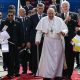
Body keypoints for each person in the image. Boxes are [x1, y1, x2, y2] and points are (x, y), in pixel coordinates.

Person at [35, 8, 68, 80]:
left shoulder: (59, 20)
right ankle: (47, 75)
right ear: (47, 13)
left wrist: (63, 32)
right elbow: (39, 31)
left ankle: (57, 75)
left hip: (57, 42)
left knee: (57, 59)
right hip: (48, 42)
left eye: (52, 13)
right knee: (47, 60)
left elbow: (65, 29)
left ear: (55, 13)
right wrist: (37, 40)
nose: (50, 15)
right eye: (49, 13)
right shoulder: (43, 20)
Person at [1, 11, 22, 79]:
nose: (10, 17)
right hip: (5, 44)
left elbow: (21, 34)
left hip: (15, 44)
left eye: (11, 15)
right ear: (7, 15)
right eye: (9, 15)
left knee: (15, 59)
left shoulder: (17, 23)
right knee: (7, 59)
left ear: (14, 16)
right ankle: (10, 72)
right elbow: (1, 32)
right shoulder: (4, 23)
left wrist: (21, 43)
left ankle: (16, 72)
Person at [60, 1, 78, 79]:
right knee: (62, 56)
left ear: (69, 7)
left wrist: (71, 20)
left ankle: (69, 74)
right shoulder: (59, 15)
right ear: (62, 7)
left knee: (70, 56)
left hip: (71, 40)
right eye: (63, 6)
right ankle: (63, 73)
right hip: (61, 39)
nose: (65, 8)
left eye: (66, 6)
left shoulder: (74, 15)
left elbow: (77, 25)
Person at [27, 3, 46, 75]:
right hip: (34, 40)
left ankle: (43, 71)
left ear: (43, 9)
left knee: (43, 56)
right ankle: (35, 71)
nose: (40, 10)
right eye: (39, 8)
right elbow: (28, 30)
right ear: (37, 8)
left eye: (42, 8)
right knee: (34, 56)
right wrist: (28, 41)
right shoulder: (32, 17)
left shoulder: (46, 16)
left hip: (45, 40)